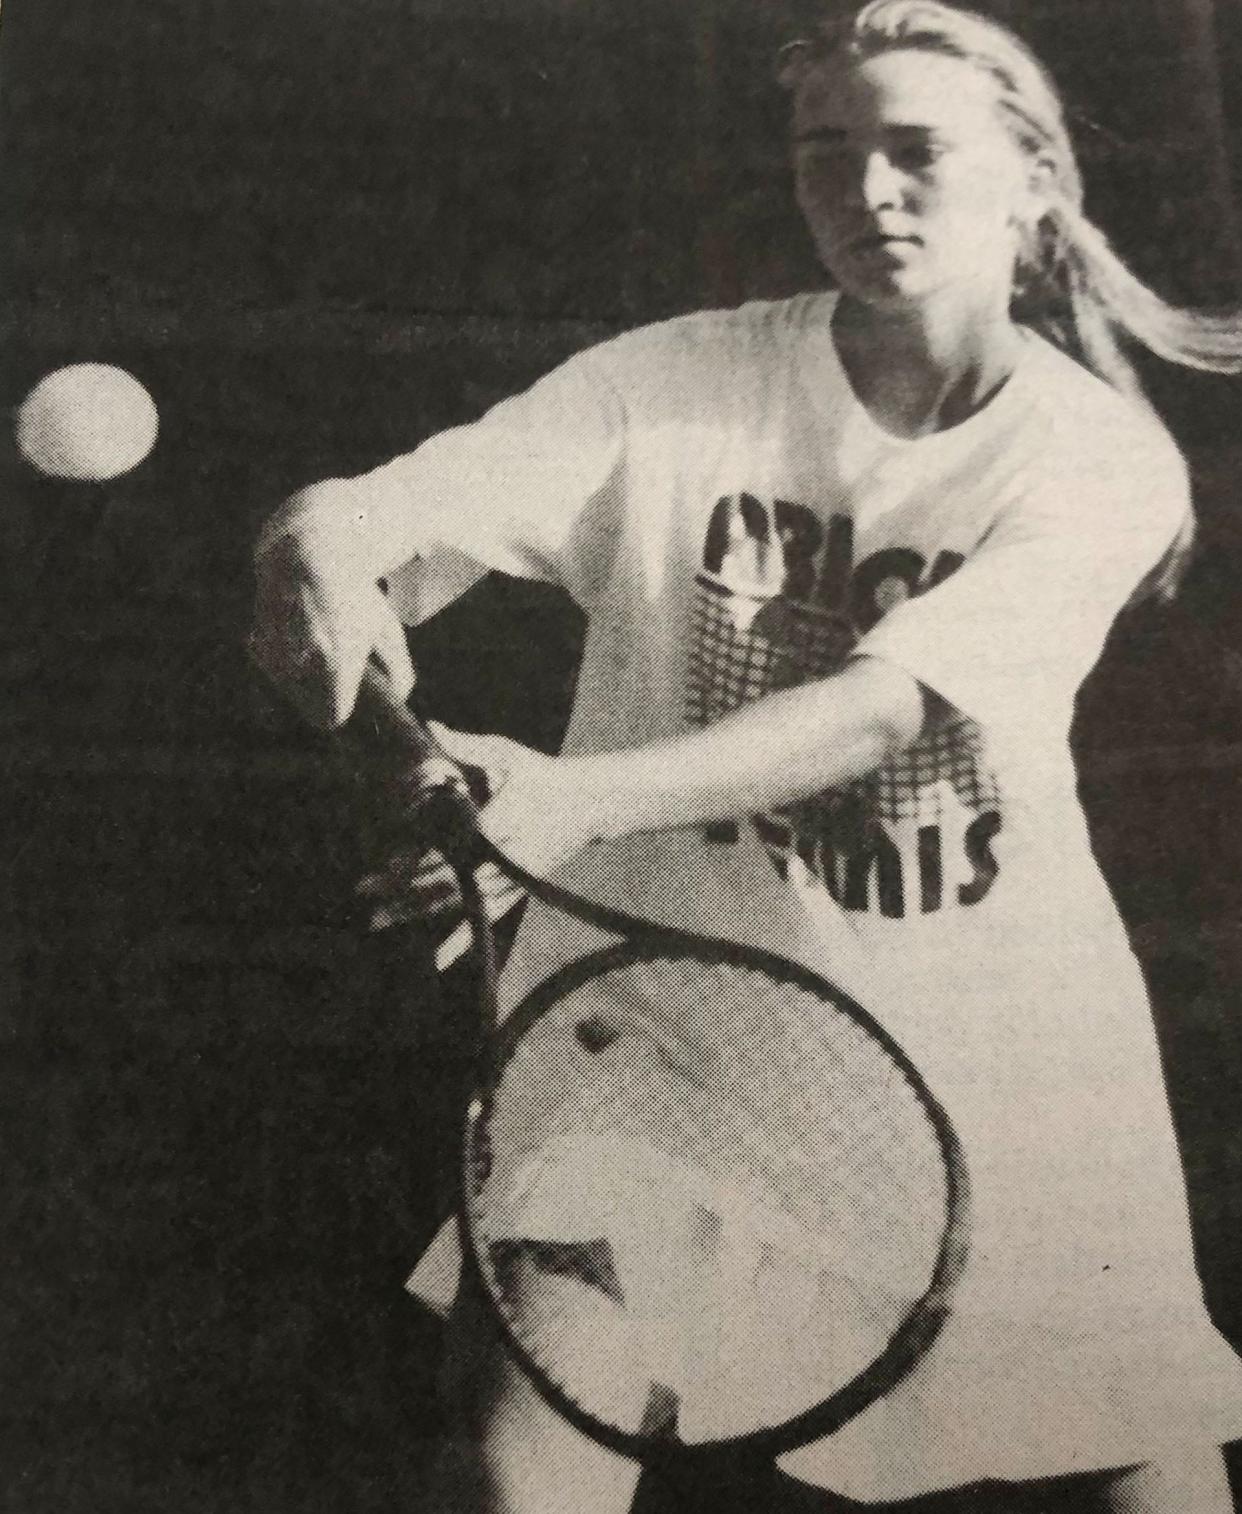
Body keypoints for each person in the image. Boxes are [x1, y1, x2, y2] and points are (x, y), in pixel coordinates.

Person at [250, 2, 1242, 1509]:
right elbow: (390, 516)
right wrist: (315, 548)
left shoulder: (1094, 457)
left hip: (984, 1056)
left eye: (914, 153)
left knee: (1143, 1481)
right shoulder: (679, 381)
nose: (865, 194)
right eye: (824, 156)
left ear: (1032, 178)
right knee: (516, 1475)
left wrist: (569, 800)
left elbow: (879, 709)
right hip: (650, 1030)